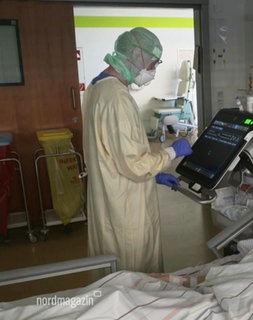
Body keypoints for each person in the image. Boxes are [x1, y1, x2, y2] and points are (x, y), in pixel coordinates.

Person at [82, 27, 192, 272]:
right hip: (126, 211)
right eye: (152, 65)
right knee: (133, 274)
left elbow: (110, 153)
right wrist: (172, 153)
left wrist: (151, 179)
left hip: (110, 196)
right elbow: (134, 165)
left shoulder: (96, 88)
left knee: (111, 271)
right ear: (137, 59)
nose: (153, 71)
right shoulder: (116, 98)